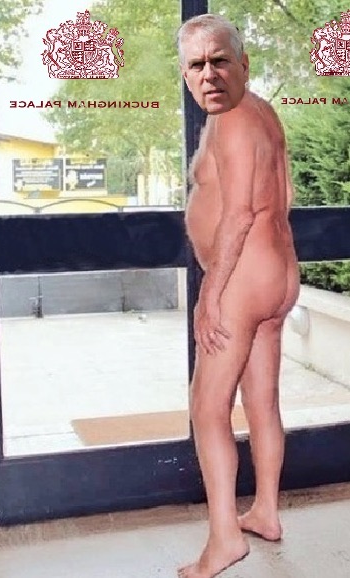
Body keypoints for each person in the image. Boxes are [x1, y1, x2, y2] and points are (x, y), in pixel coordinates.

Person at [176, 13, 300, 578]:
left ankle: (225, 539)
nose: (208, 74)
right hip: (276, 274)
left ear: (243, 64)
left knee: (208, 408)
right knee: (262, 402)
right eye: (196, 65)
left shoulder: (231, 122)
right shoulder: (264, 114)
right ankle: (266, 512)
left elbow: (240, 214)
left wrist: (212, 291)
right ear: (185, 74)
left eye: (219, 60)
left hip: (243, 278)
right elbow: (284, 194)